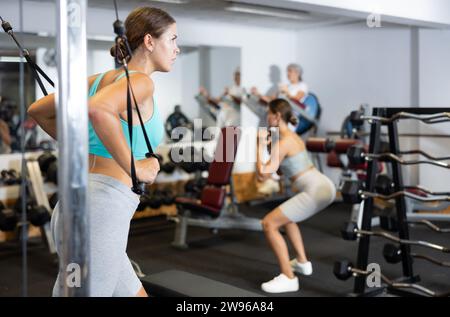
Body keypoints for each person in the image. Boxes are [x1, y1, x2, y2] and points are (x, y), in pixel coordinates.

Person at [27, 6, 180, 297]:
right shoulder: (140, 81)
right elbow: (98, 110)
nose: (177, 48)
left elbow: (37, 111)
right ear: (149, 42)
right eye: (172, 39)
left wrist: (82, 145)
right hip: (102, 210)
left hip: (77, 204)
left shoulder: (100, 81)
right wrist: (136, 168)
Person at [256, 98, 336, 293]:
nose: (267, 117)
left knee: (269, 224)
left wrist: (258, 145)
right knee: (288, 218)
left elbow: (263, 174)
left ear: (276, 116)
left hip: (315, 189)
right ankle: (301, 262)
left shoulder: (285, 142)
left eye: (269, 113)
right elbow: (281, 172)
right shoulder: (292, 137)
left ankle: (288, 277)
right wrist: (268, 147)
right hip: (322, 185)